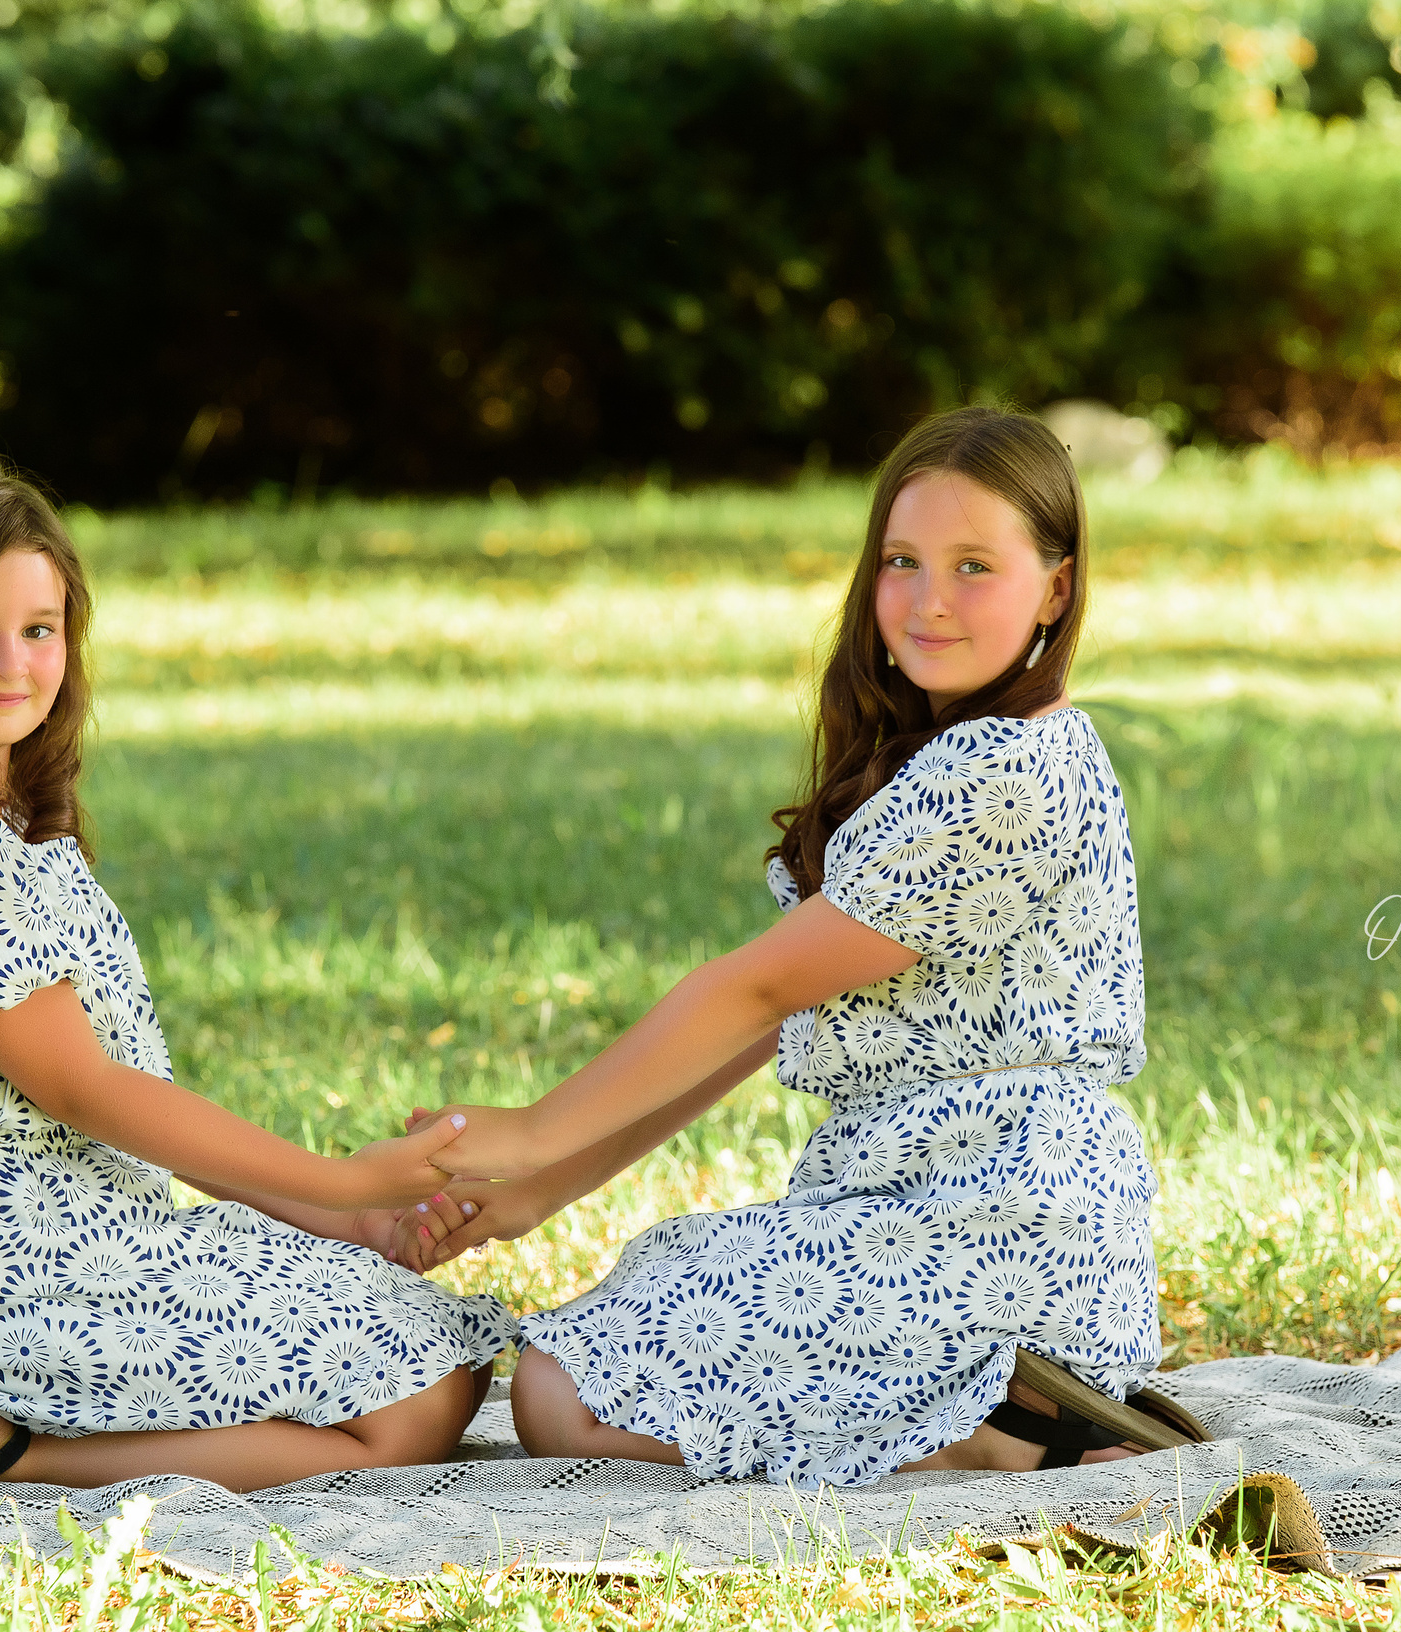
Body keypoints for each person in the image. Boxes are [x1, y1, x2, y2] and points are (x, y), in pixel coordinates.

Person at [403, 406, 1184, 1489]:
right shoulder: (941, 756)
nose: (928, 600)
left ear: (1055, 587)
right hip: (909, 1198)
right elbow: (774, 1015)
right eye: (902, 561)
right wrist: (549, 1186)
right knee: (587, 1352)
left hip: (1000, 1222)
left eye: (974, 566)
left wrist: (535, 1131)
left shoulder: (1012, 771)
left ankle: (986, 1427)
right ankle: (985, 1412)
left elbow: (754, 984)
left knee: (558, 1384)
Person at [0, 455, 511, 1493]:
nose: (10, 658)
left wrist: (346, 1222)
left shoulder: (13, 835)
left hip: (78, 1222)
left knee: (439, 1361)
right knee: (416, 1400)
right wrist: (344, 1178)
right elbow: (84, 1090)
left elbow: (129, 1101)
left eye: (39, 628)